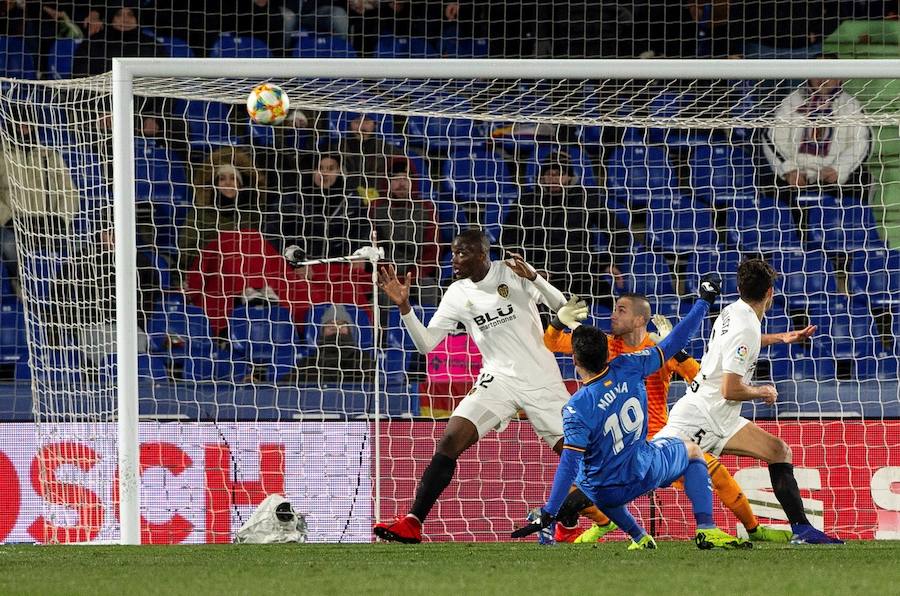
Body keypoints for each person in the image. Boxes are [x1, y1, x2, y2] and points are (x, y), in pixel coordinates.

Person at [372, 229, 608, 543]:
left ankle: (580, 520)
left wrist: (535, 277)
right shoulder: (456, 293)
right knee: (450, 440)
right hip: (497, 379)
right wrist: (405, 308)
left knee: (576, 457)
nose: (454, 260)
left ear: (483, 255)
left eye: (462, 253)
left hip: (541, 380)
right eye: (454, 252)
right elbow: (427, 345)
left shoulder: (511, 272)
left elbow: (563, 305)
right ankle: (413, 522)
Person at [544, 292, 806, 544]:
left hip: (658, 436)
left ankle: (753, 528)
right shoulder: (604, 346)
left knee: (713, 470)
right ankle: (600, 523)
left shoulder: (656, 350)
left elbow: (699, 378)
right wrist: (557, 321)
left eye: (620, 310)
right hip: (615, 442)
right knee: (576, 488)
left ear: (639, 319)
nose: (612, 315)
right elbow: (553, 342)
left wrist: (676, 351)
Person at [515, 277, 749, 549]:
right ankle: (706, 528)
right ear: (607, 352)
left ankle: (634, 534)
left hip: (607, 489)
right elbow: (674, 341)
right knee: (693, 451)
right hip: (645, 468)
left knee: (590, 481)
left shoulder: (575, 407)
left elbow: (568, 463)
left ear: (576, 360)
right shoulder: (630, 364)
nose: (614, 314)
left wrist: (550, 510)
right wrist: (703, 302)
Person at [655, 258, 844, 544]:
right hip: (701, 416)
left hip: (722, 418)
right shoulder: (746, 327)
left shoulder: (734, 311)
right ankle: (571, 504)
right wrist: (762, 391)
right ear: (770, 292)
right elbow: (730, 390)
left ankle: (802, 530)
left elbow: (745, 341)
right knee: (644, 474)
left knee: (778, 451)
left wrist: (782, 338)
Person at [500, 156, 628, 311]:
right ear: (542, 177)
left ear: (569, 177)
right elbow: (508, 239)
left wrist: (608, 263)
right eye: (549, 173)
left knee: (615, 306)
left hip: (581, 273)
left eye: (559, 173)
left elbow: (618, 232)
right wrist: (530, 269)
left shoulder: (586, 200)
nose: (553, 178)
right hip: (541, 274)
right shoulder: (526, 201)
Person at [762, 72, 871, 202]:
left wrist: (839, 170)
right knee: (768, 184)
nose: (822, 78)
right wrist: (789, 170)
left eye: (828, 73)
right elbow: (772, 137)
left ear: (839, 77)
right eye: (817, 72)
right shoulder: (791, 101)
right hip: (796, 176)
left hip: (832, 178)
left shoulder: (851, 105)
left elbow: (862, 142)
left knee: (863, 179)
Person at [369, 158, 441, 305]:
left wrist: (413, 275)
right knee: (380, 298)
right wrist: (388, 276)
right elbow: (372, 246)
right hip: (386, 274)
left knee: (430, 292)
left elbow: (432, 249)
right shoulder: (376, 208)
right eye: (396, 179)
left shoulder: (426, 209)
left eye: (405, 178)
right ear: (388, 182)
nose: (401, 183)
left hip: (417, 274)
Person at [72, 5, 166, 77]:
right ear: (111, 18)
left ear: (137, 18)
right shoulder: (93, 43)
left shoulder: (152, 45)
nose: (125, 20)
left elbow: (165, 82)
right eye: (119, 15)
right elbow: (80, 78)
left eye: (130, 15)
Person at [296, 303, 375, 384]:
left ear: (350, 330)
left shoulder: (364, 361)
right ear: (322, 331)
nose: (336, 327)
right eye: (330, 324)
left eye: (341, 324)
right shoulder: (308, 364)